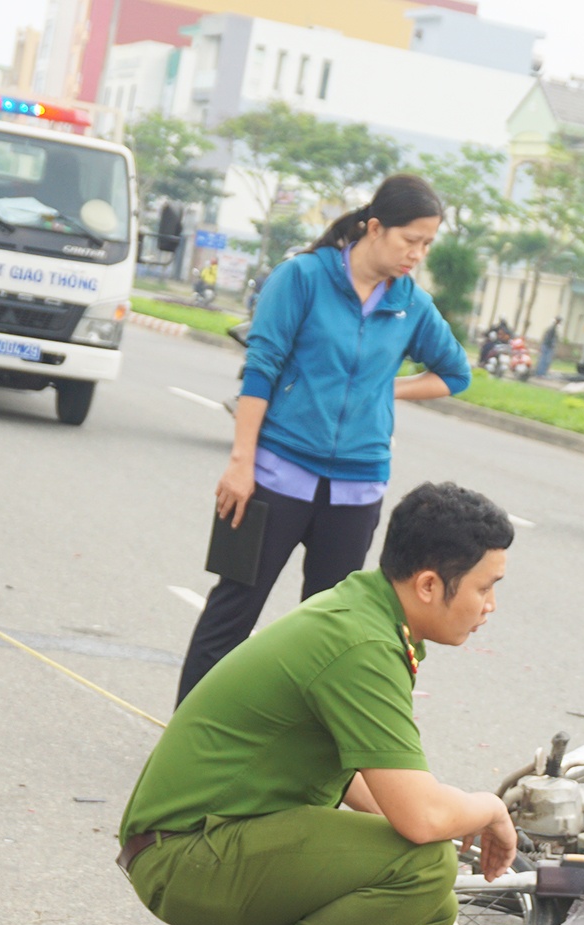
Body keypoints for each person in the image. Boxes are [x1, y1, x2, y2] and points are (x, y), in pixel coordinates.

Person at [120, 481, 517, 925]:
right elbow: (421, 820)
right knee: (425, 864)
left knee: (429, 910)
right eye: (486, 588)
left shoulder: (365, 615)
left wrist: (426, 819)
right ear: (431, 585)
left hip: (201, 843)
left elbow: (366, 780)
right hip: (184, 854)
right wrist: (488, 807)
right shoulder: (359, 642)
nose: (490, 605)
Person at [176, 173, 472, 704]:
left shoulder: (411, 304)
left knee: (328, 630)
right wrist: (241, 463)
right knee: (233, 608)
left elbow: (455, 373)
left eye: (427, 245)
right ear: (375, 228)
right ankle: (187, 739)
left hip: (356, 490)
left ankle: (298, 762)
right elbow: (261, 369)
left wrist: (385, 388)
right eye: (411, 241)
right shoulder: (302, 279)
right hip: (273, 475)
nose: (418, 255)